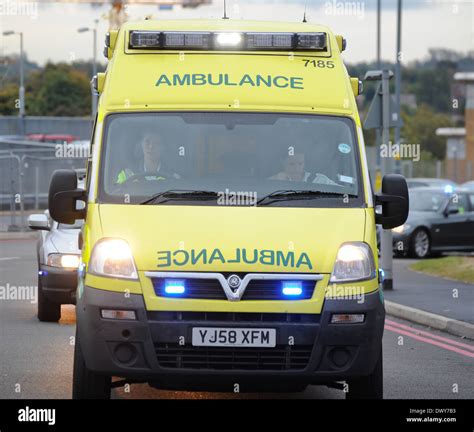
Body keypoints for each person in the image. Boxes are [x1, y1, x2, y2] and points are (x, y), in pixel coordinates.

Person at [116, 133, 180, 184]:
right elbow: (116, 194)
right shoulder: (127, 174)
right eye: (147, 141)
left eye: (156, 143)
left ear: (162, 148)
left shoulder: (173, 177)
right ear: (141, 144)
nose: (151, 146)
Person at [269, 152, 337, 185]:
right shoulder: (273, 181)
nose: (297, 168)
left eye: (300, 163)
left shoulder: (319, 180)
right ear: (282, 162)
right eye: (291, 164)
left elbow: (341, 191)